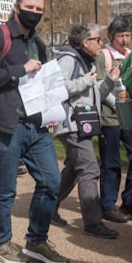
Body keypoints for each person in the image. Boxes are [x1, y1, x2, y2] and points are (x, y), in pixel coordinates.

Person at [0, 0, 70, 263]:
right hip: (6, 123)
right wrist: (21, 69)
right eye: (30, 7)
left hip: (35, 124)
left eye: (40, 10)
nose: (35, 13)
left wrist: (50, 112)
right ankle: (1, 242)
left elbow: (41, 84)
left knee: (51, 181)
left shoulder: (38, 43)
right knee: (6, 187)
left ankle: (36, 241)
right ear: (17, 7)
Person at [52, 22, 119, 238]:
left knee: (74, 168)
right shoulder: (69, 59)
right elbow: (58, 87)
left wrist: (109, 80)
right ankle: (92, 222)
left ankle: (48, 206)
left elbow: (94, 92)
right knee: (89, 168)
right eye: (98, 40)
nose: (101, 43)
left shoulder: (84, 61)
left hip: (80, 124)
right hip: (71, 124)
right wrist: (85, 81)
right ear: (85, 42)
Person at [95, 15, 132, 224]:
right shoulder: (104, 56)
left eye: (127, 35)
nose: (125, 40)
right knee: (111, 162)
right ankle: (107, 204)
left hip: (131, 119)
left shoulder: (131, 55)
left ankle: (131, 201)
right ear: (111, 36)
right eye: (120, 36)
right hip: (111, 118)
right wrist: (120, 106)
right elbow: (101, 86)